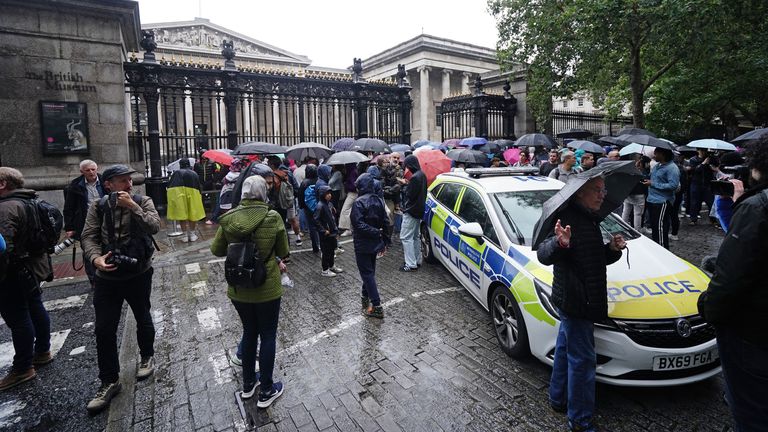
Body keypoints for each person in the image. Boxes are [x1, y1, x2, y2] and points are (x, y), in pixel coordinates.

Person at [537, 176, 626, 432]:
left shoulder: (590, 219)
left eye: (603, 189)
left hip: (579, 299)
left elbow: (591, 259)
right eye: (597, 190)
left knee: (566, 350)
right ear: (579, 194)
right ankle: (580, 421)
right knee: (583, 361)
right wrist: (559, 242)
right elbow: (544, 254)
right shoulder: (567, 218)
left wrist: (611, 249)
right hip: (577, 301)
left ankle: (558, 397)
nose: (602, 195)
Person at [697, 138, 768, 432]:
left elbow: (732, 275)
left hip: (752, 332)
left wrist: (707, 307)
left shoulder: (757, 207)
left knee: (751, 414)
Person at [80, 165, 161, 414]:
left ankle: (147, 356)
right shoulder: (99, 206)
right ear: (108, 185)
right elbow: (89, 236)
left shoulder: (141, 200)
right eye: (123, 181)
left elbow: (154, 226)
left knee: (142, 315)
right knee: (104, 328)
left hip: (138, 271)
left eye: (130, 180)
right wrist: (95, 259)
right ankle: (109, 380)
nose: (129, 185)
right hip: (107, 276)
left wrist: (133, 207)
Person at [211, 175, 289, 408]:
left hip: (239, 287)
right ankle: (266, 389)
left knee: (249, 331)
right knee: (267, 335)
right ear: (264, 192)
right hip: (267, 287)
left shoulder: (229, 218)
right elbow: (283, 251)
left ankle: (248, 385)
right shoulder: (272, 216)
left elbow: (216, 250)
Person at [0, 167, 53, 391]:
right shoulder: (31, 200)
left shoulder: (5, 208)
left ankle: (23, 367)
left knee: (18, 316)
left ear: (3, 184)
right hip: (33, 266)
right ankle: (42, 351)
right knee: (34, 305)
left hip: (13, 271)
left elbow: (5, 247)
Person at [351, 173, 391, 318]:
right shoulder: (379, 200)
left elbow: (358, 224)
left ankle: (376, 305)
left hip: (363, 244)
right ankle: (364, 297)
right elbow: (386, 222)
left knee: (367, 273)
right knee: (369, 271)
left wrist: (377, 234)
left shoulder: (358, 202)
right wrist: (385, 240)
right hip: (374, 243)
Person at [63, 159, 105, 284]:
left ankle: (106, 274)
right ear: (82, 171)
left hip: (105, 221)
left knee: (106, 248)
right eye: (88, 170)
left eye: (93, 169)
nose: (91, 172)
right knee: (88, 251)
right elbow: (69, 208)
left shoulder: (106, 181)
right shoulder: (74, 186)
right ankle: (94, 280)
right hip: (85, 223)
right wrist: (69, 227)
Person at [642, 147, 680, 249]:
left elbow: (673, 186)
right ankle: (657, 248)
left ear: (663, 154)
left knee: (660, 227)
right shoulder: (657, 166)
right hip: (652, 200)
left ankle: (663, 249)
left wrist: (653, 184)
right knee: (655, 226)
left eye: (656, 153)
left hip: (662, 201)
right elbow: (650, 178)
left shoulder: (672, 168)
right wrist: (642, 169)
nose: (654, 156)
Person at [399, 155, 427, 272]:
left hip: (411, 210)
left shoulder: (415, 177)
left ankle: (410, 264)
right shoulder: (422, 175)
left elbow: (410, 195)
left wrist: (404, 186)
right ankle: (417, 260)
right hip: (418, 211)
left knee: (405, 237)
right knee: (415, 236)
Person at [167, 158, 205, 242]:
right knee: (193, 214)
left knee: (182, 215)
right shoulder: (194, 173)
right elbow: (199, 186)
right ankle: (192, 234)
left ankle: (184, 235)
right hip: (192, 194)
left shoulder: (176, 173)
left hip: (179, 194)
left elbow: (170, 185)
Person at [268, 157, 302, 247]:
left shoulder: (271, 175)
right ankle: (298, 237)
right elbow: (296, 187)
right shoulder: (288, 173)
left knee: (280, 223)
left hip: (278, 204)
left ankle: (284, 244)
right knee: (293, 219)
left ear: (272, 165)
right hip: (289, 201)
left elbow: (270, 192)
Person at [314, 185, 343, 277]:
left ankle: (331, 266)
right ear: (322, 194)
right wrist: (323, 230)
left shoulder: (328, 204)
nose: (329, 195)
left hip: (331, 233)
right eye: (327, 194)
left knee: (331, 251)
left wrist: (335, 231)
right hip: (326, 234)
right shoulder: (320, 206)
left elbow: (332, 219)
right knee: (326, 252)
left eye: (330, 193)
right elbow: (316, 220)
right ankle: (325, 270)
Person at [621, 156, 649, 230]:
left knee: (625, 212)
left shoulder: (628, 170)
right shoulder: (643, 172)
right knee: (637, 214)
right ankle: (637, 231)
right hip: (639, 195)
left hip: (628, 194)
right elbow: (645, 183)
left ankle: (623, 228)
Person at [298, 164, 320, 254]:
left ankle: (315, 246)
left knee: (312, 228)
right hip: (319, 206)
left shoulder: (304, 182)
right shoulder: (319, 181)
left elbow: (300, 196)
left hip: (309, 208)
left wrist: (302, 206)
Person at [338, 163, 359, 236]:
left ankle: (348, 229)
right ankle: (350, 228)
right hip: (353, 193)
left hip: (352, 193)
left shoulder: (352, 172)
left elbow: (353, 185)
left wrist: (347, 184)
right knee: (350, 210)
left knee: (345, 210)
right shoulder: (353, 171)